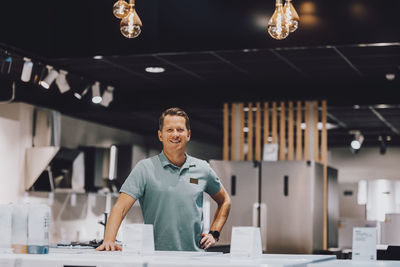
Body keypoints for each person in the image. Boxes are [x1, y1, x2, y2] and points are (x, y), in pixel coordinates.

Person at [96, 107, 231, 252]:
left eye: (180, 130)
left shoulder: (202, 168)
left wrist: (214, 233)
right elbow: (120, 208)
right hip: (155, 257)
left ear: (188, 134)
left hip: (194, 258)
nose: (175, 134)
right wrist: (109, 240)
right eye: (169, 130)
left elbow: (224, 201)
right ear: (160, 135)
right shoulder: (145, 168)